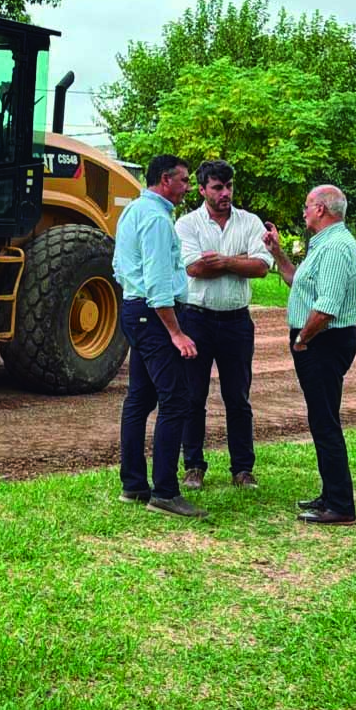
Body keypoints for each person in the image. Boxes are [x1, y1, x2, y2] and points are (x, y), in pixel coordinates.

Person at [262, 185, 356, 526]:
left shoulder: (335, 247)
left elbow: (327, 307)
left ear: (321, 209)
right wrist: (277, 253)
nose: (303, 211)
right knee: (322, 419)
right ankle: (331, 494)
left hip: (324, 341)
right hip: (321, 340)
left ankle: (340, 506)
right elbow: (299, 283)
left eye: (307, 205)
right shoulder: (324, 244)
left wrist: (303, 339)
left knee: (325, 422)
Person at [113, 155, 207, 519]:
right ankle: (165, 491)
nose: (187, 188)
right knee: (176, 400)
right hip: (154, 315)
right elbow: (157, 282)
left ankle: (134, 484)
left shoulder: (132, 211)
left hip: (135, 310)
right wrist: (176, 332)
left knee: (139, 397)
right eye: (184, 181)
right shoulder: (156, 220)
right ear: (165, 180)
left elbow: (119, 267)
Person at [175, 160, 273, 491]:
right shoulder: (187, 224)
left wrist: (225, 261)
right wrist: (239, 260)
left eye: (229, 186)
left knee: (238, 396)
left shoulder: (250, 221)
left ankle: (243, 469)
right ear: (202, 190)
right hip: (196, 319)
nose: (225, 193)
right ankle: (193, 466)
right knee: (193, 396)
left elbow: (261, 267)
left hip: (236, 321)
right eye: (217, 187)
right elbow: (194, 268)